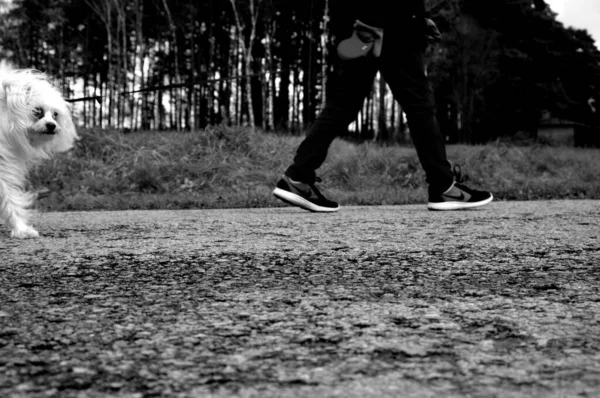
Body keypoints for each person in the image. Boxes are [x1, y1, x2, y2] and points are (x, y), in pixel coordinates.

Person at [272, 0, 493, 212]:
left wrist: (416, 19)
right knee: (420, 108)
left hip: (369, 25)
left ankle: (298, 176)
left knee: (343, 105)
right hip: (388, 28)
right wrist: (406, 20)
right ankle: (444, 187)